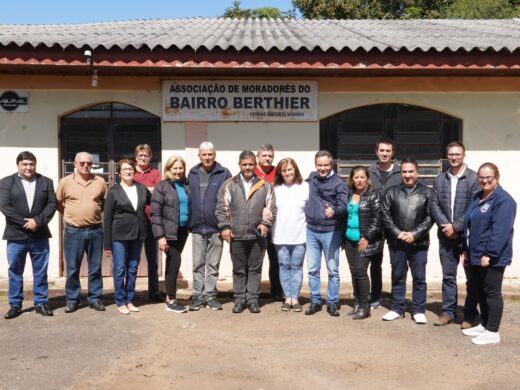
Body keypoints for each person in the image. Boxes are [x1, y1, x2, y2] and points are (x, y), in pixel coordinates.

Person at [462, 163, 516, 345]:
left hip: (491, 256)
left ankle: (493, 331)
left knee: (492, 292)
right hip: (475, 254)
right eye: (481, 177)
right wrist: (467, 249)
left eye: (488, 177)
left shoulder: (504, 201)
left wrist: (489, 254)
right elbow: (469, 224)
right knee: (480, 290)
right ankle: (484, 324)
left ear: (497, 178)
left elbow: (500, 231)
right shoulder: (478, 197)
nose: (484, 181)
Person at [216, 150, 276, 314]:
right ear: (239, 165)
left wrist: (266, 223)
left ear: (255, 165)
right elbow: (221, 208)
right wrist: (225, 227)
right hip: (237, 235)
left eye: (250, 164)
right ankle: (240, 300)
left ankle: (252, 300)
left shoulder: (265, 185)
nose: (248, 167)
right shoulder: (230, 184)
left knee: (255, 269)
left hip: (257, 235)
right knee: (239, 269)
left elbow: (272, 208)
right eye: (244, 164)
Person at [0, 151, 56, 319]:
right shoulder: (6, 182)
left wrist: (37, 222)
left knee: (40, 271)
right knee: (15, 271)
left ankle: (40, 302)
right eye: (25, 164)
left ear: (35, 165)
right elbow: (5, 206)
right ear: (18, 165)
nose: (28, 167)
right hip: (16, 235)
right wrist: (26, 223)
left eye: (31, 164)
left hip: (40, 235)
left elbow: (51, 205)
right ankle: (15, 304)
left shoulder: (46, 182)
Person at [430, 141, 480, 327]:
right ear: (446, 155)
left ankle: (469, 314)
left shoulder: (474, 178)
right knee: (448, 276)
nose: (454, 157)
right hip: (445, 236)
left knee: (472, 277)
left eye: (457, 154)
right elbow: (433, 205)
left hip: (468, 236)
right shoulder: (440, 179)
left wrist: (456, 227)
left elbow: (474, 206)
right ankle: (448, 311)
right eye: (451, 154)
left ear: (464, 155)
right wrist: (446, 226)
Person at [381, 159, 433, 324]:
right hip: (397, 243)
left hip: (419, 243)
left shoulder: (427, 192)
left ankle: (418, 310)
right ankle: (397, 308)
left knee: (419, 277)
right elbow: (385, 215)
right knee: (398, 276)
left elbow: (430, 217)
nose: (408, 175)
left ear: (417, 172)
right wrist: (397, 233)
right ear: (400, 173)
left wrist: (415, 234)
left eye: (411, 171)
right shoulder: (390, 192)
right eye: (404, 172)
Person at [56, 151, 107, 313]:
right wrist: (72, 215)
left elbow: (105, 203)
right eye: (82, 163)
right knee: (72, 268)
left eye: (89, 163)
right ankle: (72, 300)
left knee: (95, 268)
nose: (86, 166)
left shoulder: (100, 181)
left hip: (95, 230)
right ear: (75, 164)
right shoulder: (65, 182)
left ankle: (95, 298)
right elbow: (58, 203)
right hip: (73, 231)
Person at [187, 141, 231, 311]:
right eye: (204, 154)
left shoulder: (224, 173)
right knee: (198, 264)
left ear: (214, 155)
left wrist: (226, 225)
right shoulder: (192, 173)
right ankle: (197, 296)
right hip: (197, 227)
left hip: (217, 228)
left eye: (210, 154)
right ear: (199, 156)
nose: (207, 157)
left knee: (213, 265)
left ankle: (211, 295)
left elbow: (230, 199)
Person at [103, 159, 150, 315]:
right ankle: (120, 301)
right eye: (124, 169)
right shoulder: (114, 191)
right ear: (119, 172)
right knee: (119, 268)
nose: (128, 171)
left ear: (134, 171)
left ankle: (129, 299)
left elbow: (155, 202)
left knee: (133, 267)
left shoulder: (142, 188)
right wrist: (107, 244)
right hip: (119, 235)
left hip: (138, 234)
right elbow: (107, 218)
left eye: (130, 168)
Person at [304, 150, 348, 317]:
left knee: (332, 270)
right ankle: (315, 300)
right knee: (313, 269)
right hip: (311, 230)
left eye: (326, 165)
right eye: (319, 165)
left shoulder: (339, 183)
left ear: (331, 165)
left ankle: (332, 302)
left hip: (331, 232)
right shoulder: (311, 178)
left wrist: (334, 211)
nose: (322, 168)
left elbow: (344, 207)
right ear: (315, 165)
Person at [151, 156, 190, 313]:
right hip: (169, 232)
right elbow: (155, 213)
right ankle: (171, 301)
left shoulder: (185, 185)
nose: (178, 171)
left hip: (182, 231)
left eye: (181, 168)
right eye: (175, 168)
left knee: (173, 263)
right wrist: (160, 236)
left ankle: (170, 297)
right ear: (168, 169)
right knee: (174, 262)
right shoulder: (162, 186)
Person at [344, 166, 383, 320]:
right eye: (356, 177)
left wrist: (366, 237)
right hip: (349, 239)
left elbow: (378, 219)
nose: (359, 180)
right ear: (352, 179)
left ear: (367, 178)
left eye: (362, 177)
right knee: (354, 271)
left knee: (361, 271)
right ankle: (358, 302)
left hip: (364, 240)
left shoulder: (374, 195)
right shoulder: (349, 194)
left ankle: (365, 306)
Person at [367, 137, 401, 309]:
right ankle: (375, 296)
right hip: (375, 224)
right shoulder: (369, 172)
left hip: (396, 224)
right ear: (376, 152)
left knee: (397, 262)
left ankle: (397, 297)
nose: (385, 154)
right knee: (375, 263)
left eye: (388, 151)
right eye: (382, 150)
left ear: (392, 153)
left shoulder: (401, 172)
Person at [271, 158, 309, 312]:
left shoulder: (305, 186)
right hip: (280, 235)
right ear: (280, 172)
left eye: (290, 169)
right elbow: (267, 207)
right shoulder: (275, 188)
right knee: (283, 266)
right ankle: (287, 297)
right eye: (284, 170)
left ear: (295, 170)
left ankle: (296, 297)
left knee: (297, 267)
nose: (288, 173)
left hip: (300, 235)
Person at [133, 144, 163, 302]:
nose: (143, 158)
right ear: (135, 157)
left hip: (152, 222)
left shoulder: (156, 173)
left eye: (146, 155)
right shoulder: (131, 172)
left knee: (153, 260)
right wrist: (148, 189)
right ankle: (130, 292)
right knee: (133, 260)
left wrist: (140, 189)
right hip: (135, 223)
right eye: (140, 155)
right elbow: (128, 191)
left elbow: (159, 192)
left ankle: (154, 292)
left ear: (150, 157)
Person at [254, 143, 283, 300]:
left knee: (276, 259)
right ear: (258, 157)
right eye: (264, 155)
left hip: (275, 223)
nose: (267, 158)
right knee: (255, 259)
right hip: (254, 222)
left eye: (270, 156)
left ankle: (276, 290)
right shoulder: (251, 171)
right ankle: (253, 291)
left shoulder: (278, 172)